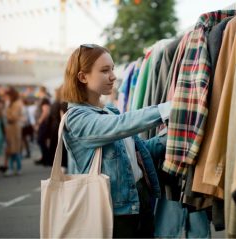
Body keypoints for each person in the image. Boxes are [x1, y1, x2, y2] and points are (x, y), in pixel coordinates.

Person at [61, 44, 170, 238]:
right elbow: (120, 125)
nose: (112, 76)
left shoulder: (110, 111)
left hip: (140, 201)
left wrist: (171, 134)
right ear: (82, 77)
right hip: (114, 211)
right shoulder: (76, 118)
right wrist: (165, 110)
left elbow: (141, 152)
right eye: (104, 70)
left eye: (112, 69)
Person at [4, 87, 24, 176]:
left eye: (7, 95)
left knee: (14, 149)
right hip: (12, 128)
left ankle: (15, 168)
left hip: (14, 128)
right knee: (12, 149)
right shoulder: (13, 103)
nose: (6, 97)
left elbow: (13, 117)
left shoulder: (16, 103)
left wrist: (6, 113)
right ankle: (14, 168)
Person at [34, 87, 51, 166]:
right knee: (41, 141)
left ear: (41, 91)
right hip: (42, 123)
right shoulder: (42, 99)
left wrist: (39, 122)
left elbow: (45, 112)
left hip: (43, 124)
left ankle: (47, 159)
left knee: (41, 141)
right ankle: (44, 158)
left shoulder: (45, 100)